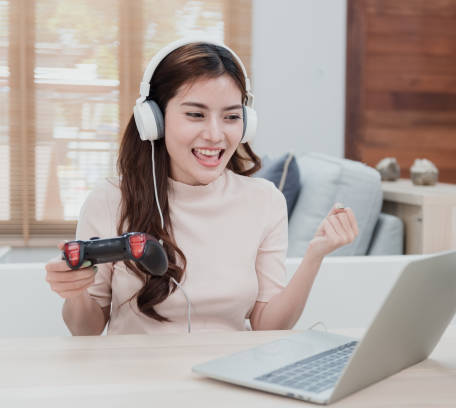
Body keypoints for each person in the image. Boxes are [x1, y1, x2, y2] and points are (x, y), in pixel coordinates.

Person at [44, 39, 359, 336]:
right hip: (138, 381)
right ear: (154, 120)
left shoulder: (265, 201)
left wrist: (315, 255)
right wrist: (75, 292)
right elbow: (86, 329)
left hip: (229, 377)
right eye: (195, 114)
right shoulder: (110, 199)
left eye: (231, 117)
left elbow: (267, 325)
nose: (215, 135)